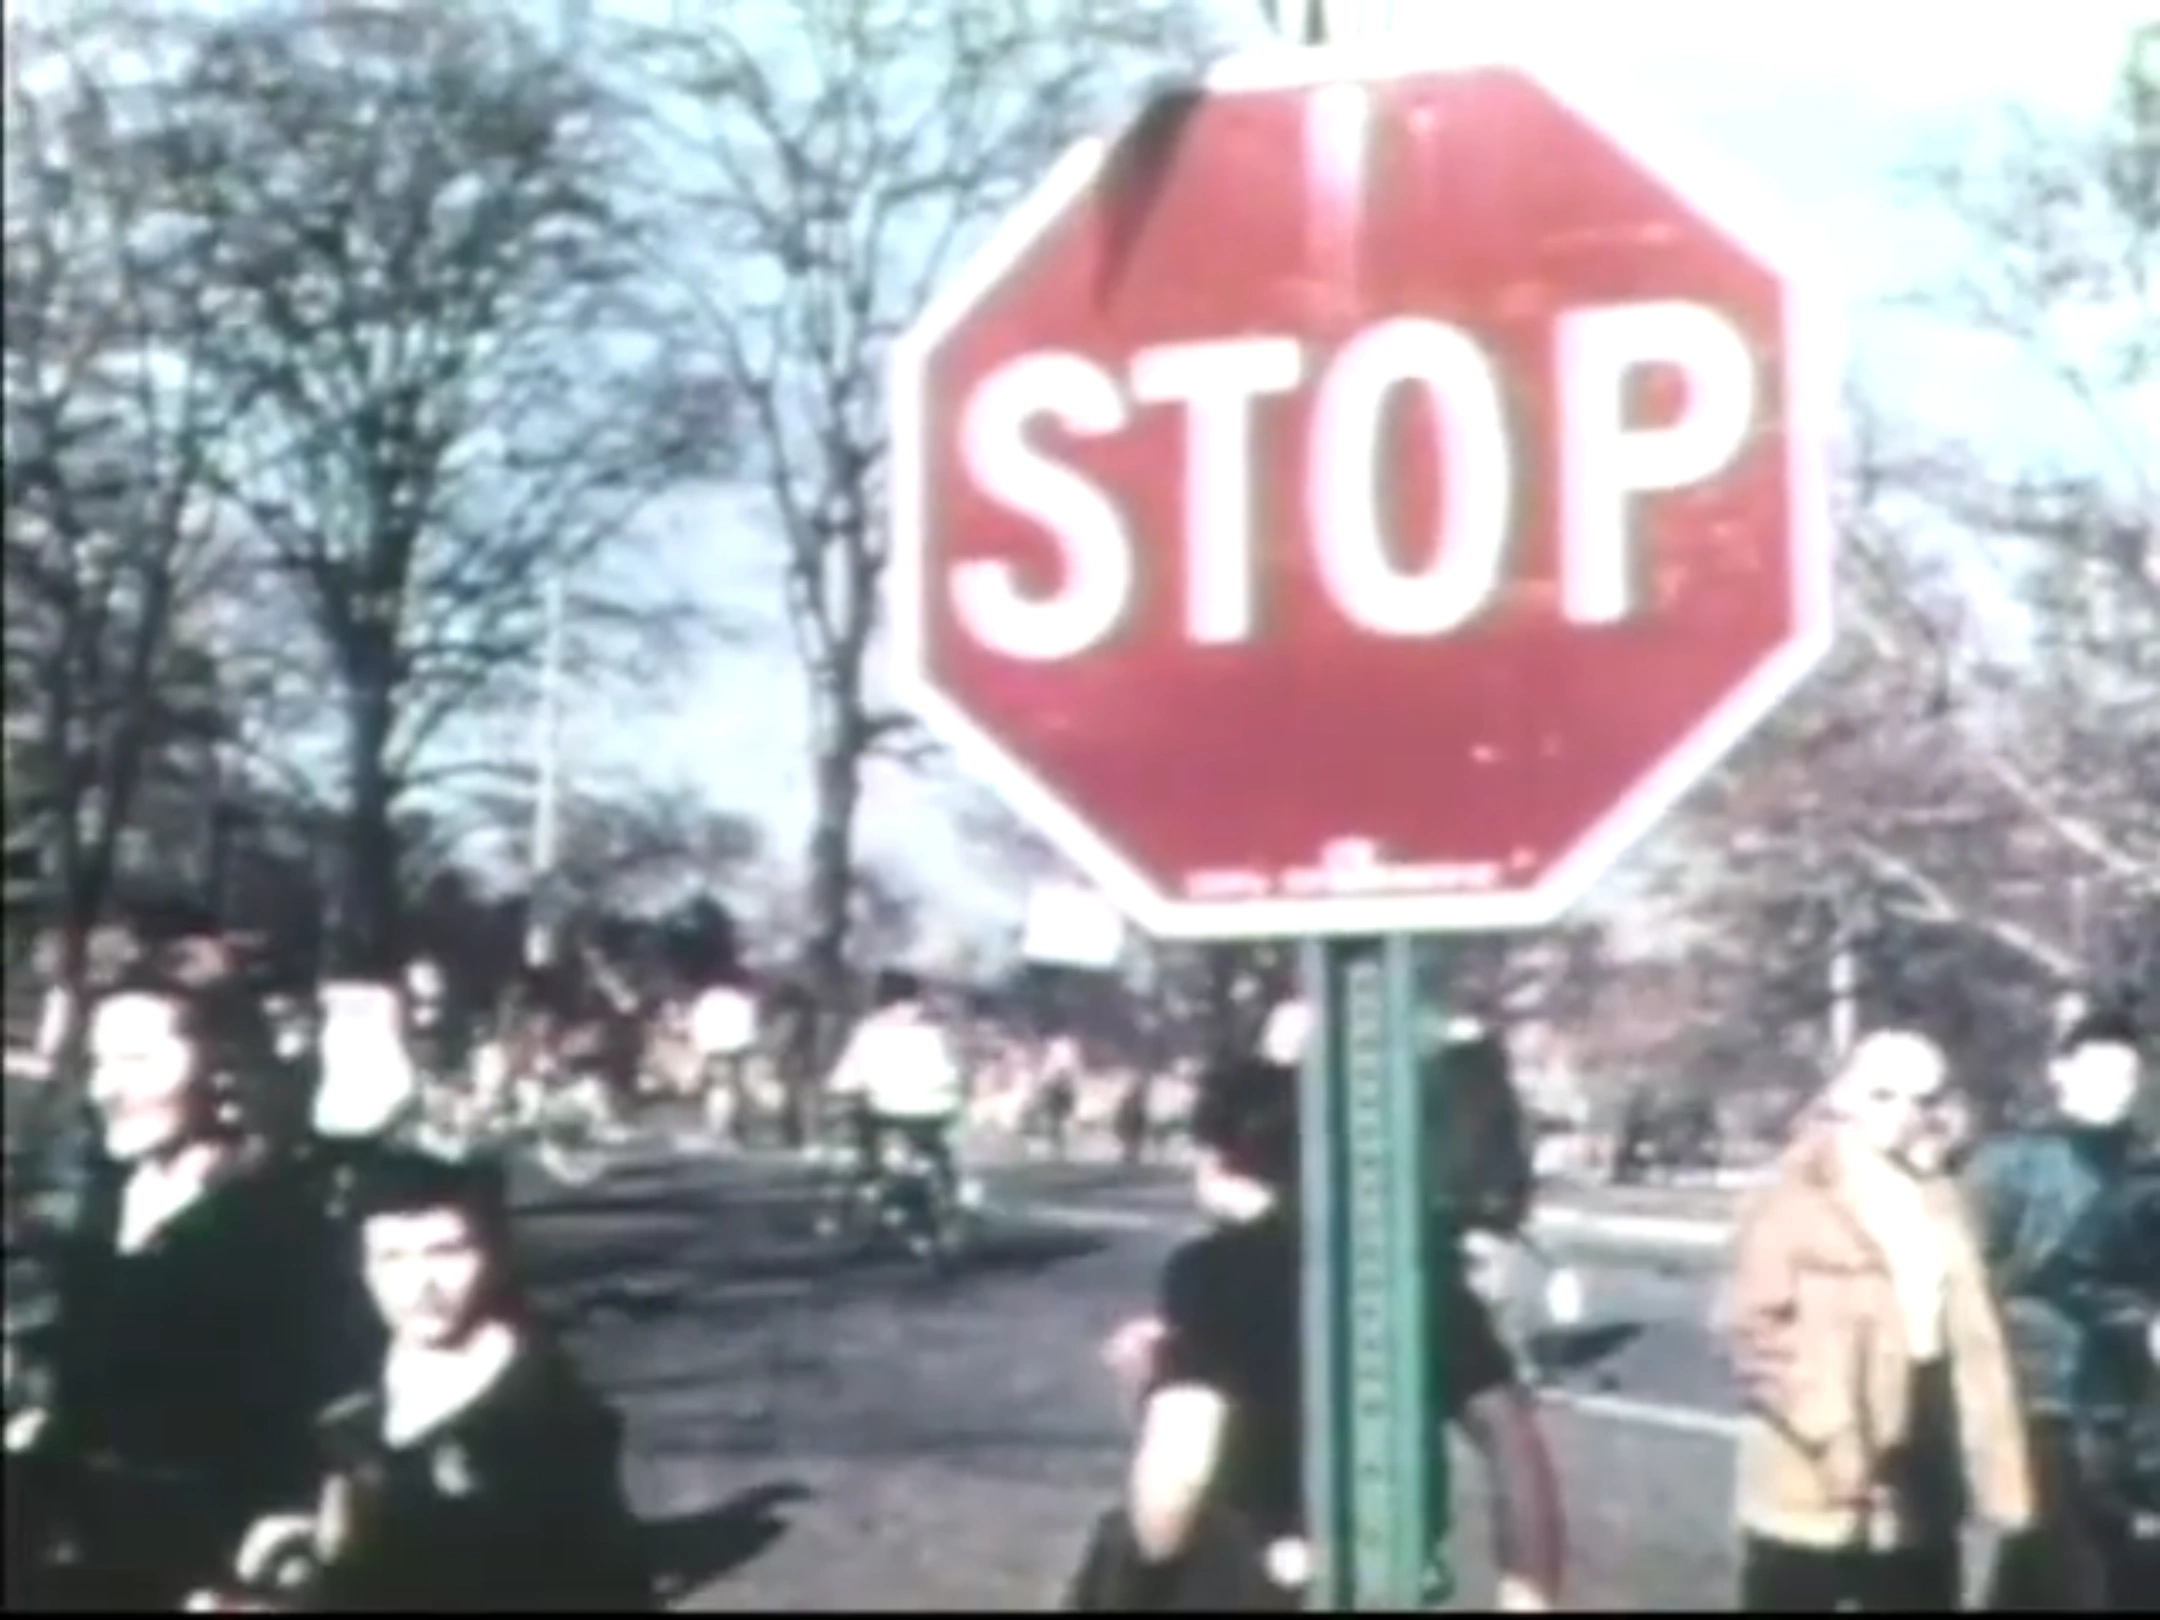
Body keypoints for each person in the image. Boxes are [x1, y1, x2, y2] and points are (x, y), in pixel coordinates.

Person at [1092, 1055, 1565, 1611]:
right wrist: (1525, 1599)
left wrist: (1140, 1580)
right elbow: (1513, 1448)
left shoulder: (1213, 1272)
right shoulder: (1419, 1276)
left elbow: (1180, 1468)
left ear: (1220, 1160)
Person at [4, 969, 379, 1610]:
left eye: (138, 1060)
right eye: (99, 1062)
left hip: (214, 1562)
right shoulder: (90, 1206)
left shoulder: (283, 1228)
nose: (108, 1087)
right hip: (63, 1549)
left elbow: (340, 1417)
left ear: (221, 1067)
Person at [228, 1149, 652, 1612]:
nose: (420, 1284)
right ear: (364, 1269)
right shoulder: (341, 1387)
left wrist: (339, 1566)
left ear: (497, 1254)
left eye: (446, 1252)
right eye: (392, 1258)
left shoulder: (549, 1415)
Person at [1716, 1028, 2032, 1612]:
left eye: (1922, 1099)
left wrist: (1991, 1451)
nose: (1903, 1114)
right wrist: (1827, 1426)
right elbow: (1752, 1334)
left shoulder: (1942, 1198)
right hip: (1814, 1462)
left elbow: (1970, 1338)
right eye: (1882, 1095)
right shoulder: (1792, 1195)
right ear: (1842, 1094)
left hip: (1922, 1452)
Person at [1965, 1005, 2156, 1610]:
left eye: (2126, 1076)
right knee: (2068, 1558)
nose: (2113, 1090)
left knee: (2084, 1558)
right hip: (2040, 1391)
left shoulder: (2146, 1167)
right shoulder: (2012, 1164)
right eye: (2098, 1072)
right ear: (2059, 1072)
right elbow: (1972, 1277)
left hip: (2124, 1396)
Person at [826, 969, 967, 1211]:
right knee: (939, 1145)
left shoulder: (867, 1032)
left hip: (887, 1110)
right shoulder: (936, 1032)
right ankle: (951, 1192)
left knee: (864, 1130)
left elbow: (842, 1080)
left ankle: (872, 1178)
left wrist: (839, 1091)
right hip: (938, 1109)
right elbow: (956, 1070)